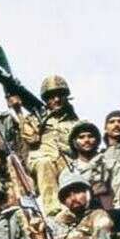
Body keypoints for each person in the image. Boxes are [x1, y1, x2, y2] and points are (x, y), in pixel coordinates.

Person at [23, 75, 78, 216]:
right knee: (45, 164)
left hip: (67, 162)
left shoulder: (75, 122)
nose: (56, 100)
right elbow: (31, 139)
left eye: (60, 95)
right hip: (42, 160)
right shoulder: (34, 118)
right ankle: (53, 212)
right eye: (51, 97)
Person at [61, 120, 120, 210]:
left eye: (90, 136)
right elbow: (65, 203)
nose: (86, 140)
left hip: (113, 212)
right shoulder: (68, 172)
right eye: (81, 137)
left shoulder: (111, 164)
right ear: (74, 142)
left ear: (97, 140)